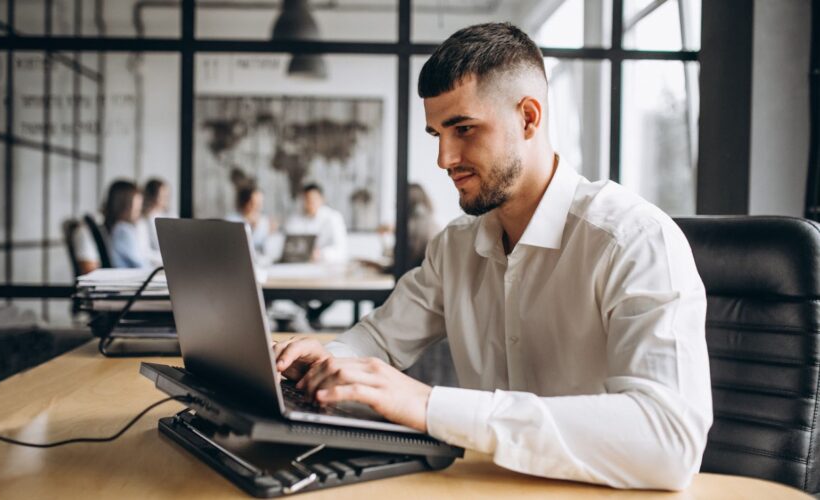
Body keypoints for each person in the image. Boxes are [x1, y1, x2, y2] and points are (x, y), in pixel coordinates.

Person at [274, 23, 712, 490]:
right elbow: (378, 339)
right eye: (436, 133)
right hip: (483, 487)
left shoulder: (634, 240)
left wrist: (429, 407)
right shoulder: (455, 246)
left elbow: (670, 440)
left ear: (528, 118)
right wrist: (322, 362)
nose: (444, 158)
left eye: (463, 129)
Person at [283, 183, 348, 263]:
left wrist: (321, 254)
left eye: (314, 199)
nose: (311, 203)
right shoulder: (294, 219)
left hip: (327, 266)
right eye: (307, 199)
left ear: (322, 199)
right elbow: (289, 248)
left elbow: (341, 250)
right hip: (300, 266)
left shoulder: (333, 218)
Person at [103, 179, 150, 268]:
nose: (139, 211)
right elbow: (141, 265)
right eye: (136, 208)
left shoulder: (115, 227)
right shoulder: (123, 230)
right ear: (124, 205)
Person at [226, 181, 271, 256]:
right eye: (255, 203)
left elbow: (265, 249)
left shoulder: (264, 221)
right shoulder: (232, 221)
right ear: (246, 203)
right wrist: (250, 225)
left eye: (260, 203)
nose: (259, 207)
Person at [137, 178, 170, 267]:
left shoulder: (171, 215)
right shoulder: (143, 221)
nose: (166, 197)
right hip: (156, 265)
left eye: (167, 194)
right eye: (163, 195)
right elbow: (144, 252)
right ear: (153, 196)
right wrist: (167, 259)